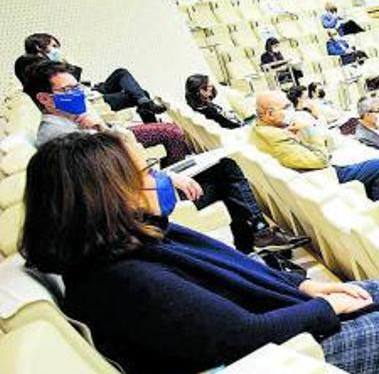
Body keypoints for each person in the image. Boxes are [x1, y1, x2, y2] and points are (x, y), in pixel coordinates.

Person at [20, 131, 379, 374]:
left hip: (266, 332)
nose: (159, 180)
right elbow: (240, 337)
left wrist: (303, 286)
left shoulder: (135, 235)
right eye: (145, 173)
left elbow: (233, 274)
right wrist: (326, 308)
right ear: (107, 194)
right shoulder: (120, 280)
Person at [25, 62, 302, 253]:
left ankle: (254, 238)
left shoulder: (75, 122)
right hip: (137, 205)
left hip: (139, 186)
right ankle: (256, 237)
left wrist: (168, 174)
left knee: (224, 169)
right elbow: (122, 163)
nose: (78, 94)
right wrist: (102, 128)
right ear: (46, 99)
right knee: (226, 173)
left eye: (77, 87)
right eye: (67, 91)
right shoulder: (57, 140)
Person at [251, 90, 379, 200]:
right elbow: (320, 160)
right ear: (270, 114)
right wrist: (310, 129)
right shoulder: (275, 138)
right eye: (286, 107)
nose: (291, 110)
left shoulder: (259, 129)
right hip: (322, 179)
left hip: (312, 174)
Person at [14, 33, 169, 123]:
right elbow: (70, 91)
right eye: (53, 46)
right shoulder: (36, 67)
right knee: (140, 94)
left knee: (121, 73)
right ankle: (151, 115)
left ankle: (144, 103)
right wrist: (71, 65)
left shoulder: (43, 64)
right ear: (38, 47)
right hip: (90, 103)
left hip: (90, 92)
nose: (57, 50)